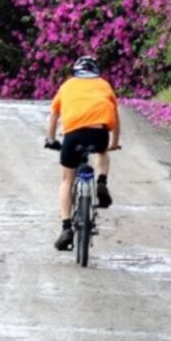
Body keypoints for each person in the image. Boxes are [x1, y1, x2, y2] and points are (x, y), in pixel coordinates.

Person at [45, 55, 121, 251]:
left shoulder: (67, 85)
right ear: (95, 71)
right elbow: (115, 115)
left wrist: (51, 140)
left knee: (66, 180)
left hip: (73, 134)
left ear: (76, 71)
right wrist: (114, 143)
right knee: (102, 152)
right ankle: (102, 182)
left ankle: (66, 227)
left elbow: (54, 116)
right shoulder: (104, 85)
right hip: (98, 132)